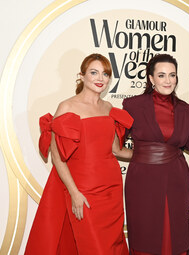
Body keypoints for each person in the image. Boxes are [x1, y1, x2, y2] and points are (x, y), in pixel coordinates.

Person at [25, 53, 132, 254]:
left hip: (112, 188)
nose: (100, 78)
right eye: (94, 72)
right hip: (84, 188)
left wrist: (152, 153)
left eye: (105, 74)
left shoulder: (108, 108)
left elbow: (116, 150)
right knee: (93, 247)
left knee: (112, 245)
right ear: (81, 76)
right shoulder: (67, 107)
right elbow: (57, 157)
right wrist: (74, 193)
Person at [123, 54, 189, 255]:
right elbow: (114, 144)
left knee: (175, 233)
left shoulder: (186, 110)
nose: (168, 80)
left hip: (176, 178)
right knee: (145, 233)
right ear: (151, 79)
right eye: (162, 75)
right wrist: (140, 156)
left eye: (172, 75)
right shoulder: (132, 105)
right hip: (143, 179)